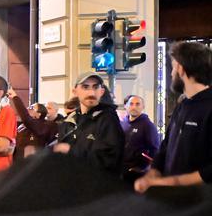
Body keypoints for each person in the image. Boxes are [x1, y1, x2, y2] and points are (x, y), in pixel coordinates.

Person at [135, 41, 212, 192]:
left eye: (172, 67)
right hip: (174, 201)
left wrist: (169, 183)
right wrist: (152, 174)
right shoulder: (183, 105)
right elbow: (165, 147)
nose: (171, 74)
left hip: (201, 206)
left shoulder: (209, 107)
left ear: (180, 69)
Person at [52, 72, 124, 174]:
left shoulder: (108, 120)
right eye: (85, 87)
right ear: (75, 91)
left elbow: (109, 160)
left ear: (102, 91)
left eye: (95, 87)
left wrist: (70, 150)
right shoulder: (69, 121)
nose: (91, 93)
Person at [121, 94, 160, 181]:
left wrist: (142, 168)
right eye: (131, 104)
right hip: (121, 171)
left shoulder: (148, 125)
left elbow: (155, 150)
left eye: (137, 104)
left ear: (143, 107)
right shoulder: (122, 123)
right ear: (126, 106)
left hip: (138, 174)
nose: (134, 107)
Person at [7, 88, 57, 157]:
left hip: (30, 162)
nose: (28, 108)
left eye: (31, 108)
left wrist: (15, 97)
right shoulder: (23, 125)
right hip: (16, 160)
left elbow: (27, 119)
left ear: (39, 114)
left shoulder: (42, 125)